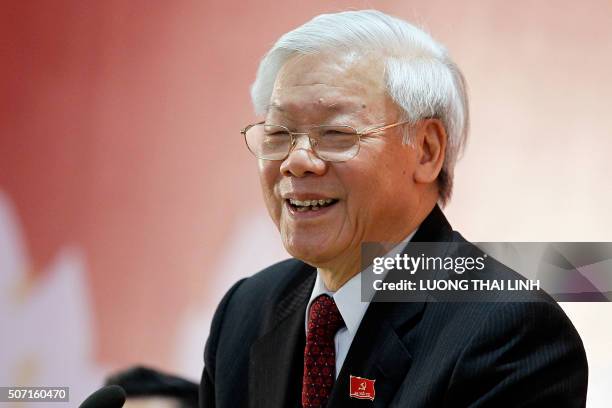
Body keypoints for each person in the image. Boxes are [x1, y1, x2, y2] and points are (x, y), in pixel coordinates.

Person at [199, 9, 588, 408]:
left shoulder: (509, 331)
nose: (296, 161)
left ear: (426, 150)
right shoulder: (246, 310)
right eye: (279, 133)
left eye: (335, 133)